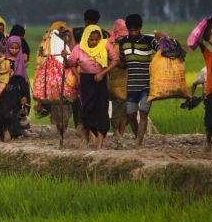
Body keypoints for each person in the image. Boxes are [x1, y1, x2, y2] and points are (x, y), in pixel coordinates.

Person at [63, 24, 118, 149]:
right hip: (86, 81)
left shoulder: (105, 45)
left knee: (101, 110)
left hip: (101, 80)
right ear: (86, 38)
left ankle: (100, 142)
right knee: (86, 110)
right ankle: (88, 135)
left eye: (96, 39)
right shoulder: (79, 48)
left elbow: (115, 60)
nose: (94, 42)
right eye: (91, 39)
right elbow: (70, 64)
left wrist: (103, 73)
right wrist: (66, 59)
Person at [116, 14, 165, 145]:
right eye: (131, 31)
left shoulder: (149, 41)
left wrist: (162, 39)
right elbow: (123, 63)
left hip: (147, 84)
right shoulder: (122, 43)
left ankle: (138, 142)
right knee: (131, 115)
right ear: (127, 28)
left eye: (136, 30)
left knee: (143, 113)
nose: (133, 33)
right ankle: (138, 136)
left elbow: (163, 50)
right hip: (132, 84)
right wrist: (114, 62)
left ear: (140, 28)